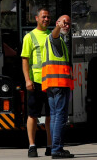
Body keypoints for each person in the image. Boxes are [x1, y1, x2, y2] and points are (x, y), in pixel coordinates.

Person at [41, 15, 74, 158]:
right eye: (64, 23)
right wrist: (58, 27)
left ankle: (56, 148)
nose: (66, 26)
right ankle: (56, 149)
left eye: (68, 24)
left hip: (51, 84)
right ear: (57, 23)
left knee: (55, 117)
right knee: (60, 116)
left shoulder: (60, 40)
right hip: (59, 84)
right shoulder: (55, 38)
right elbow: (54, 34)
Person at [21, 7, 52, 158]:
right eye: (43, 17)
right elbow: (25, 60)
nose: (46, 19)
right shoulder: (29, 37)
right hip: (36, 82)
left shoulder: (52, 35)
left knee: (50, 116)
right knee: (32, 115)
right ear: (36, 18)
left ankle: (50, 145)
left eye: (48, 17)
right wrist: (28, 79)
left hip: (51, 81)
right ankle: (32, 145)